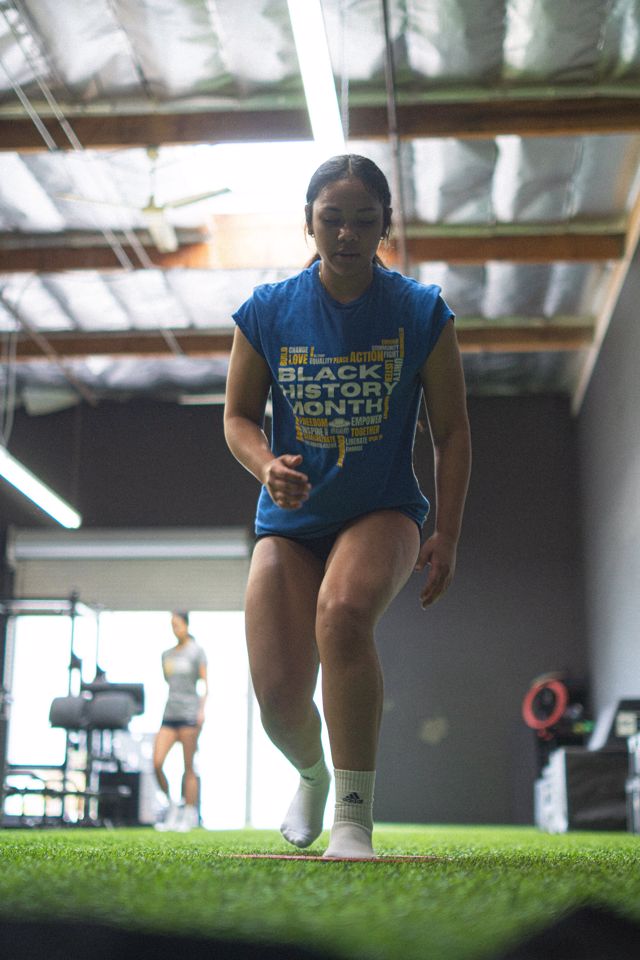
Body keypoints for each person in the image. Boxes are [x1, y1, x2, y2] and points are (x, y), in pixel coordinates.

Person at [224, 154, 471, 859]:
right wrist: (267, 466)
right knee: (278, 700)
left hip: (382, 509)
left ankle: (353, 817)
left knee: (342, 614)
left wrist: (448, 532)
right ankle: (312, 773)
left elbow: (453, 434)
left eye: (364, 220)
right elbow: (237, 418)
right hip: (291, 522)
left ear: (384, 225)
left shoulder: (421, 312)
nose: (346, 234)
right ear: (309, 223)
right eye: (331, 219)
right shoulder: (267, 311)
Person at [153, 611, 208, 832]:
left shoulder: (196, 652)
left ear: (186, 625)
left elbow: (205, 684)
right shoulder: (166, 655)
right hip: (170, 714)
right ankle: (172, 806)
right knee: (157, 763)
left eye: (177, 624)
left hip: (189, 715)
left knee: (189, 767)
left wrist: (201, 711)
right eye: (172, 625)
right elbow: (169, 681)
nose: (175, 629)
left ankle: (189, 813)